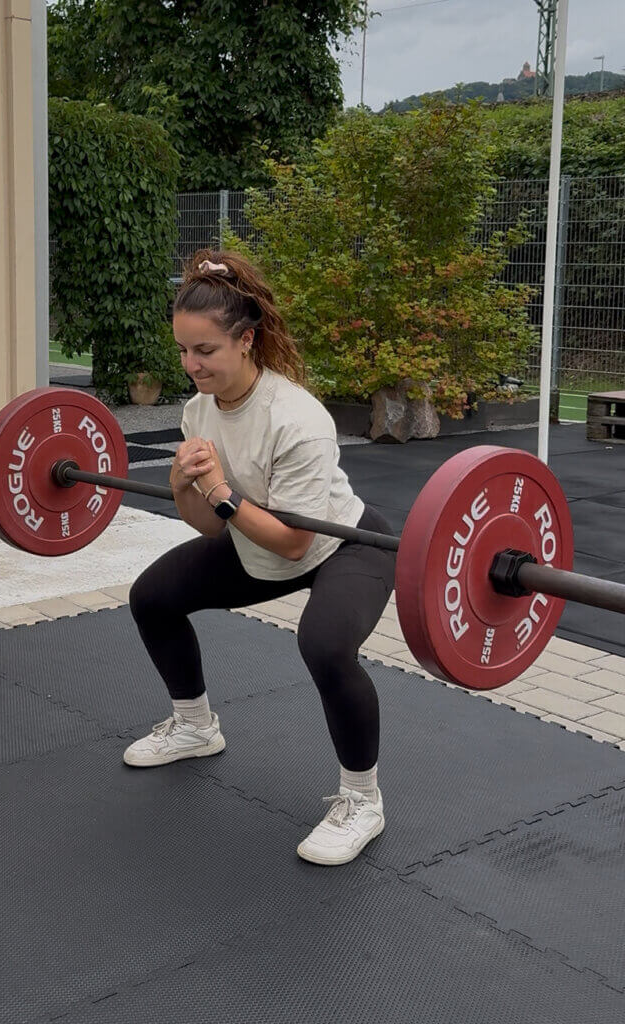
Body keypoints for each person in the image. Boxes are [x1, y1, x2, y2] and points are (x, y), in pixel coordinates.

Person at [126, 249, 396, 866]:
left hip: (342, 545)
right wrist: (180, 489)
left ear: (246, 340)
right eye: (184, 351)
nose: (192, 366)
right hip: (256, 543)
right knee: (153, 598)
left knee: (325, 646)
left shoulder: (296, 418)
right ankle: (196, 726)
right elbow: (208, 527)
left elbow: (296, 542)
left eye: (206, 351)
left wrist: (220, 492)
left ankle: (363, 800)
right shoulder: (199, 410)